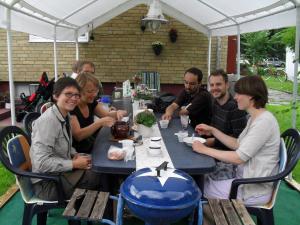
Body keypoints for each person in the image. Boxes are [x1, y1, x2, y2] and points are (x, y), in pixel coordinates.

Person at [193, 75, 280, 206]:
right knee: (201, 177)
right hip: (243, 178)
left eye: (238, 93)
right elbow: (237, 144)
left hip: (251, 188)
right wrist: (213, 130)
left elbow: (238, 158)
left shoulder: (264, 122)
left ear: (250, 96)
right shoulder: (255, 117)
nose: (235, 97)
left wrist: (204, 149)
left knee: (198, 187)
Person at [30, 77, 107, 201]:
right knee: (101, 174)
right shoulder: (48, 121)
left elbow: (67, 145)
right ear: (56, 96)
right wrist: (73, 163)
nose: (74, 98)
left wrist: (75, 155)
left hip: (61, 174)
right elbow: (41, 163)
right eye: (68, 94)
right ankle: (108, 212)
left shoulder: (65, 115)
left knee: (99, 164)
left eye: (76, 95)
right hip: (48, 184)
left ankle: (110, 208)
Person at [202, 69, 248, 182]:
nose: (214, 88)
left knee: (197, 175)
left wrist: (212, 141)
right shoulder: (215, 102)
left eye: (218, 84)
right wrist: (207, 133)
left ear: (227, 85)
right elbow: (216, 128)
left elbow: (239, 142)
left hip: (228, 160)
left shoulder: (236, 108)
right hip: (216, 151)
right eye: (212, 85)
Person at [70, 72, 127, 153]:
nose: (94, 94)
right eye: (90, 91)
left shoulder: (91, 103)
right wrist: (99, 123)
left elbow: (106, 115)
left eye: (96, 91)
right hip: (79, 153)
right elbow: (78, 135)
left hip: (92, 144)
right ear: (78, 91)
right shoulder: (71, 107)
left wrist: (118, 112)